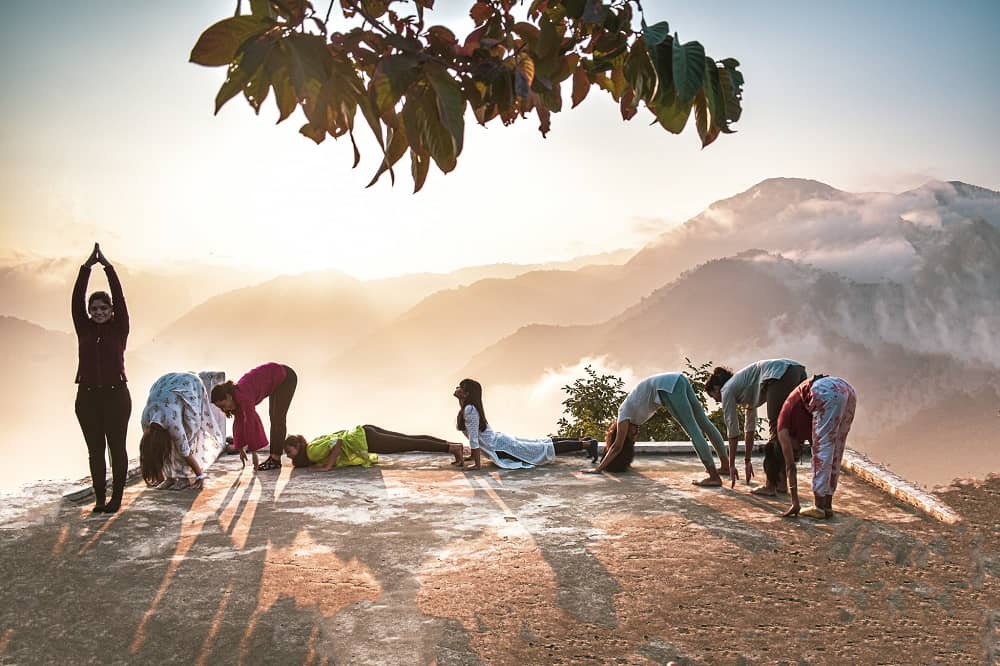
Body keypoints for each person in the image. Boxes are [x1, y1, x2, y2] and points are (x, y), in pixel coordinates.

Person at [585, 373, 729, 485]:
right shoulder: (633, 417)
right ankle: (725, 466)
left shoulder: (623, 415)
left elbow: (617, 446)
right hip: (677, 379)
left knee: (693, 430)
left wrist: (598, 469)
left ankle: (714, 476)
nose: (635, 434)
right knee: (704, 423)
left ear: (621, 430)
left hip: (667, 388)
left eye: (630, 436)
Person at [72, 243, 131, 514]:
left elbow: (119, 297)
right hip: (87, 397)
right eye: (94, 308)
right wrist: (86, 268)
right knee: (95, 450)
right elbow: (76, 300)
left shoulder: (120, 328)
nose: (99, 312)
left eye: (103, 308)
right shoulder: (83, 328)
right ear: (89, 310)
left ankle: (116, 499)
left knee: (116, 449)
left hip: (116, 395)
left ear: (110, 310)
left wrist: (107, 267)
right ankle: (99, 498)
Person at [705, 358, 807, 494]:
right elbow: (750, 428)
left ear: (717, 388)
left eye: (713, 397)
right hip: (797, 371)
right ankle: (781, 483)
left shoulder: (726, 390)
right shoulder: (742, 387)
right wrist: (747, 461)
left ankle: (770, 485)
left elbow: (733, 432)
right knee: (785, 428)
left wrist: (731, 465)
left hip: (780, 373)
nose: (717, 401)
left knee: (776, 429)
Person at [454, 379, 598, 470]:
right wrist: (474, 457)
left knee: (543, 448)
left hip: (502, 447)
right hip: (501, 442)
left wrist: (477, 464)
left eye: (461, 387)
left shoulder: (469, 410)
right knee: (543, 443)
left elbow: (474, 438)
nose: (457, 389)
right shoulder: (468, 408)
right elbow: (476, 436)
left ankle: (587, 444)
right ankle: (584, 441)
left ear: (466, 394)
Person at [777, 375, 857, 519]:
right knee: (836, 448)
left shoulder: (782, 428)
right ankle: (827, 505)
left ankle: (819, 506)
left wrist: (795, 502)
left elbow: (790, 466)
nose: (799, 450)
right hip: (846, 389)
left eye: (796, 450)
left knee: (822, 449)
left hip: (825, 390)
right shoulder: (799, 419)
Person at [139, 372, 226, 490]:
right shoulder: (146, 422)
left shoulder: (172, 424)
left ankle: (184, 478)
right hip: (166, 385)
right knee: (170, 445)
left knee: (188, 436)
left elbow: (185, 451)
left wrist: (200, 476)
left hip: (191, 385)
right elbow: (152, 454)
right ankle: (170, 478)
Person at [211, 362, 296, 471]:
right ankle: (274, 457)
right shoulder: (235, 398)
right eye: (221, 408)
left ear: (228, 396)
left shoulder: (244, 396)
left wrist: (254, 453)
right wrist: (241, 450)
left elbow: (250, 423)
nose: (225, 409)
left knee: (278, 418)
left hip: (285, 377)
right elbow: (239, 424)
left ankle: (275, 459)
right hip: (275, 379)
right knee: (274, 417)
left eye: (223, 405)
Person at [283, 425, 466, 469]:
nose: (289, 456)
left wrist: (328, 466)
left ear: (297, 445)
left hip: (366, 440)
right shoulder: (312, 445)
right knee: (410, 440)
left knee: (410, 443)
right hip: (364, 432)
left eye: (289, 452)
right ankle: (451, 446)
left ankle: (452, 449)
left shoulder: (312, 452)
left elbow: (337, 443)